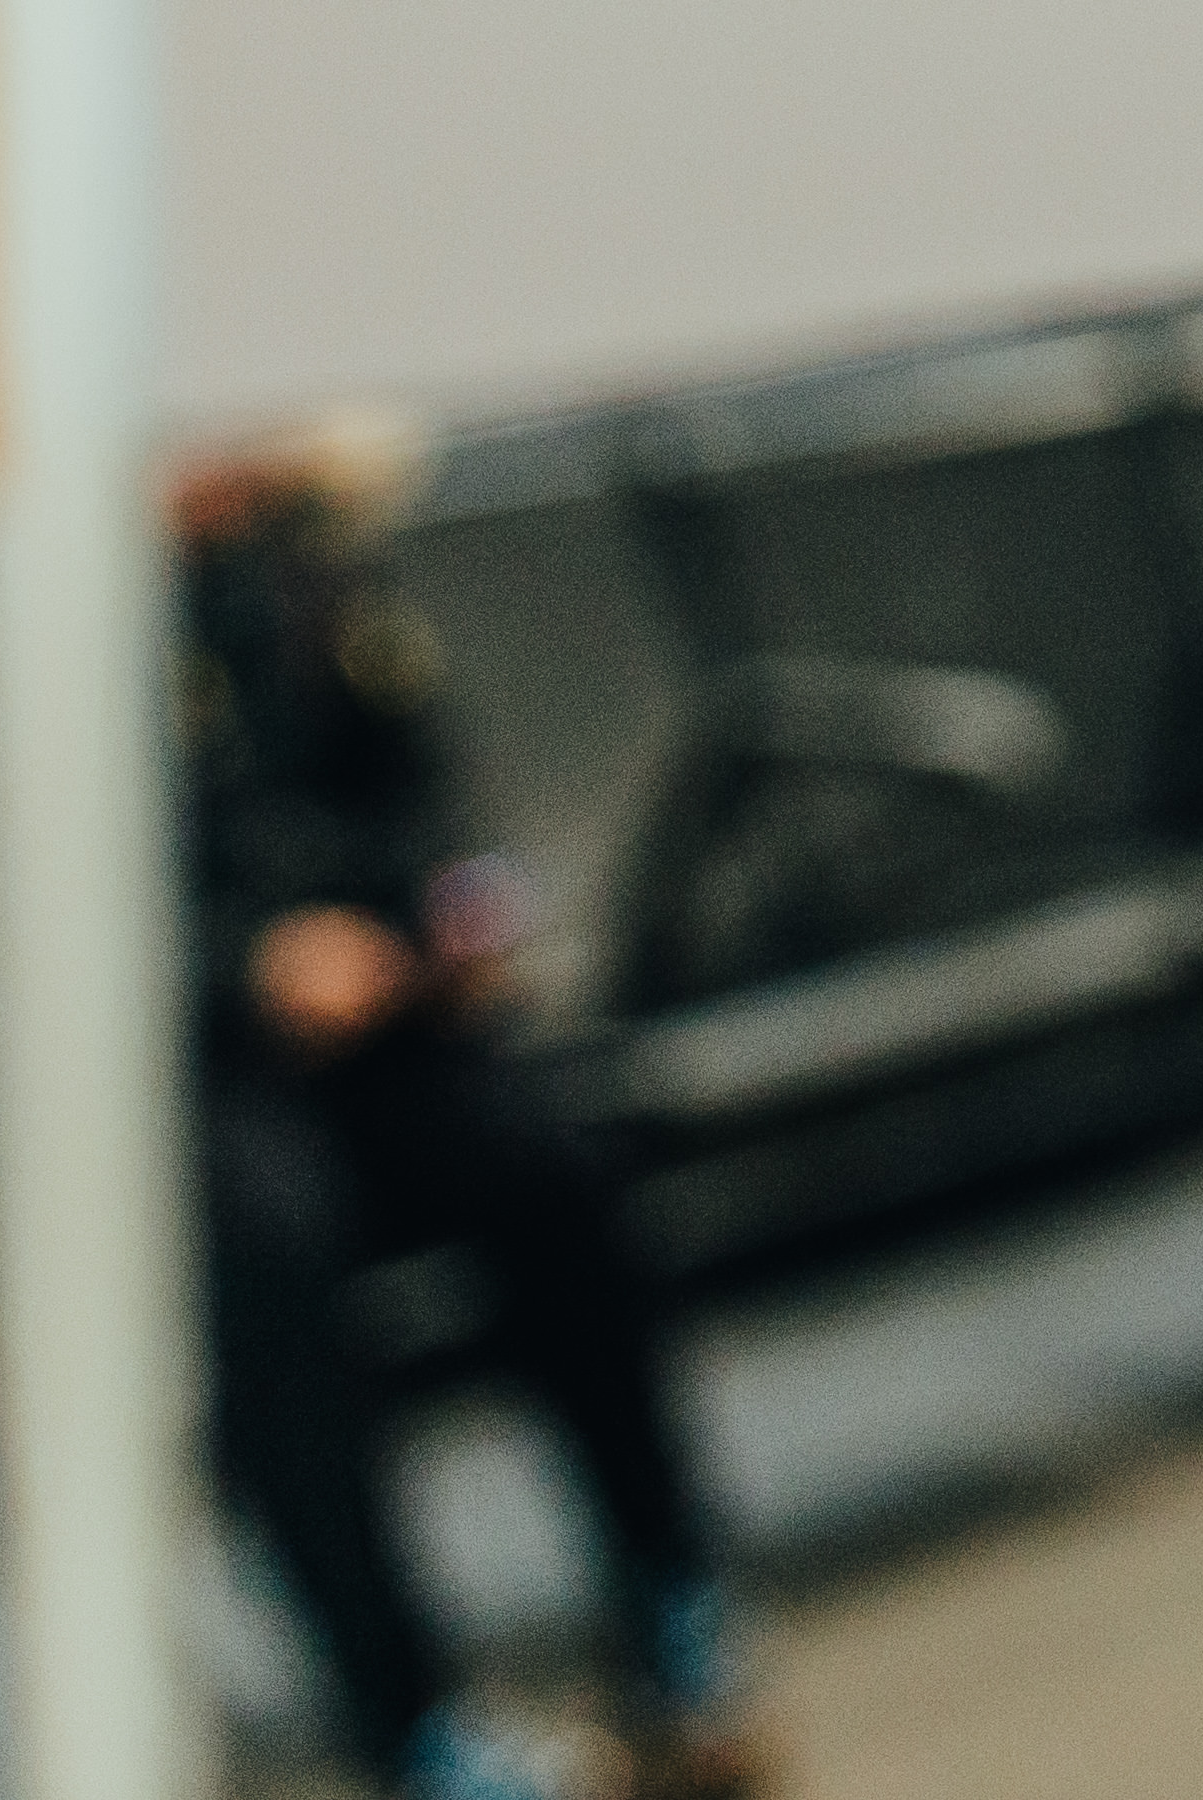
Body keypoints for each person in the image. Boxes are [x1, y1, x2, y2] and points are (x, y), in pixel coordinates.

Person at [174, 436, 775, 1800]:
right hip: (155, 1079)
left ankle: (671, 1601)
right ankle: (409, 1724)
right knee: (263, 1253)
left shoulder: (282, 563)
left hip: (358, 1040)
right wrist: (240, 967)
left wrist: (434, 910)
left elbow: (400, 780)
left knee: (545, 1162)